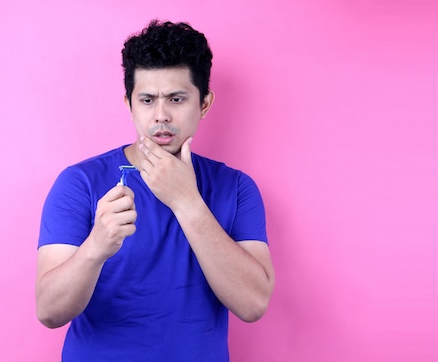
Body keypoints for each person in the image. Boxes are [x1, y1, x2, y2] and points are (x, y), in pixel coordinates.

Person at [36, 20, 275, 361]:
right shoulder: (80, 183)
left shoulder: (236, 188)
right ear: (129, 103)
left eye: (176, 99)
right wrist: (96, 246)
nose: (161, 116)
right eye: (147, 100)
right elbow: (49, 311)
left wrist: (186, 202)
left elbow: (253, 304)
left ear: (204, 103)